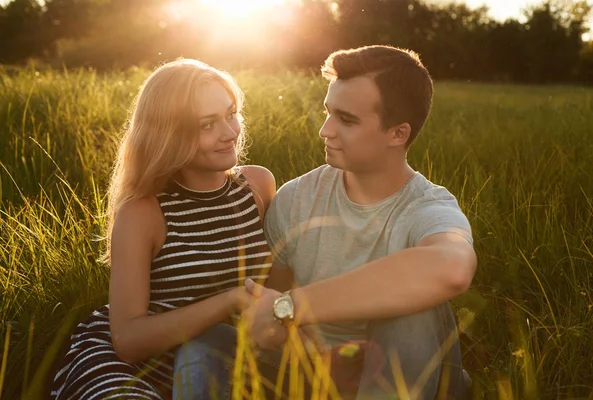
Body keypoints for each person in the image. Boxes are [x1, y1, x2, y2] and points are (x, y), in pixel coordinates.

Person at [244, 45, 477, 400]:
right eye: (328, 113)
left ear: (397, 134)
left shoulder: (427, 208)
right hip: (313, 369)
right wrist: (287, 325)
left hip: (400, 369)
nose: (325, 131)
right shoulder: (297, 198)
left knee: (412, 313)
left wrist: (294, 307)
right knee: (207, 344)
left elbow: (452, 267)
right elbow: (269, 304)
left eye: (346, 120)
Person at [49, 58, 276, 400]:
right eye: (207, 125)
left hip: (221, 355)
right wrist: (229, 301)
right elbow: (128, 342)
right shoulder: (143, 211)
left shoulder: (258, 187)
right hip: (136, 365)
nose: (230, 133)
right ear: (169, 133)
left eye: (231, 114)